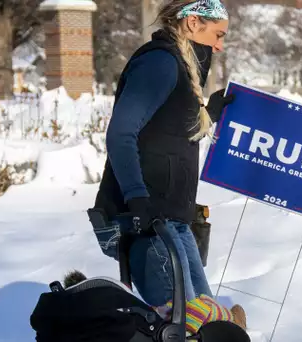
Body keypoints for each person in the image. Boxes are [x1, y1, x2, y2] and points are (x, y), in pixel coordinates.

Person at [91, 0, 235, 308]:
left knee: (205, 318)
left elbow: (168, 135)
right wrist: (136, 198)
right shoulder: (159, 63)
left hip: (173, 219)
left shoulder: (179, 67)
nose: (220, 46)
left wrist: (209, 112)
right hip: (148, 220)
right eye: (218, 35)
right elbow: (121, 133)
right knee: (183, 324)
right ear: (194, 23)